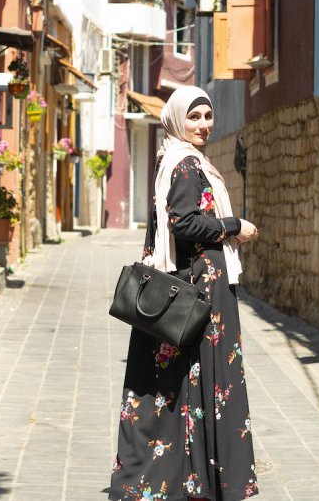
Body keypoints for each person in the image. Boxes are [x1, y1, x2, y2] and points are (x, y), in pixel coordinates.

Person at [110, 86, 260, 501]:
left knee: (182, 384)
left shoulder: (173, 159)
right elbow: (183, 222)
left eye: (208, 116)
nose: (204, 125)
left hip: (196, 284)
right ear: (177, 119)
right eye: (194, 117)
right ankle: (195, 480)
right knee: (204, 380)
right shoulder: (185, 164)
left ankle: (186, 479)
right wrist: (233, 226)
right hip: (201, 288)